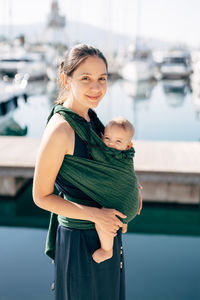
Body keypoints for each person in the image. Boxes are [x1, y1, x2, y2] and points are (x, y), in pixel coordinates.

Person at [33, 43, 142, 300]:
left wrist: (130, 189)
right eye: (86, 78)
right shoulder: (62, 129)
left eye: (102, 78)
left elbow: (108, 167)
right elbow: (41, 196)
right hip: (81, 240)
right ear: (65, 79)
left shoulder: (89, 117)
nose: (96, 87)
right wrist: (98, 216)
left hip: (104, 229)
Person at [92, 117, 141, 264]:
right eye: (107, 138)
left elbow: (94, 154)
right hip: (131, 201)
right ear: (102, 136)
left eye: (118, 141)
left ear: (128, 145)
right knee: (117, 207)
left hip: (124, 206)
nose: (111, 144)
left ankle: (107, 250)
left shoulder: (109, 154)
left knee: (101, 221)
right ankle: (124, 222)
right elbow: (129, 175)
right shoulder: (128, 155)